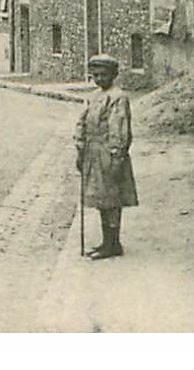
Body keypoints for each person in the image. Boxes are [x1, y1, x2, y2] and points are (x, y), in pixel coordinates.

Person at [74, 53, 138, 260]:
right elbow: (82, 122)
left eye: (103, 75)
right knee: (101, 199)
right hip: (93, 153)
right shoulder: (93, 97)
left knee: (112, 198)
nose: (99, 79)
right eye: (95, 76)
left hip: (109, 153)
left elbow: (119, 129)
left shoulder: (118, 98)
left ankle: (113, 243)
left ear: (113, 75)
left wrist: (116, 155)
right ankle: (106, 241)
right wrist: (80, 146)